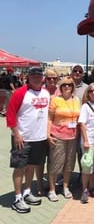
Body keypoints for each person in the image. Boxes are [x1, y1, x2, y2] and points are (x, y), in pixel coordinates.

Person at [6, 67, 50, 213]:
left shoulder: (46, 92)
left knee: (31, 166)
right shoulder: (20, 93)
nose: (36, 78)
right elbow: (10, 114)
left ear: (42, 78)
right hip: (23, 138)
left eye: (39, 76)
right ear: (28, 78)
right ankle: (17, 198)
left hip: (39, 137)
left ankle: (27, 192)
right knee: (20, 167)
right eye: (33, 76)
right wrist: (16, 134)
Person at [47, 76, 81, 202]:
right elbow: (50, 118)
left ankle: (65, 187)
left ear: (73, 87)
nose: (67, 87)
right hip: (58, 135)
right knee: (56, 163)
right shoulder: (55, 100)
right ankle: (52, 189)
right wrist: (48, 134)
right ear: (60, 87)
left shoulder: (76, 99)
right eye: (64, 85)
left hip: (72, 136)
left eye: (69, 85)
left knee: (69, 164)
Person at [78, 83, 94, 203]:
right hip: (89, 138)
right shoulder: (85, 106)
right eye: (91, 91)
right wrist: (86, 140)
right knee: (87, 165)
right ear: (88, 93)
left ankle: (92, 188)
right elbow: (82, 124)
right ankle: (84, 189)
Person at [35, 68, 60, 196]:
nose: (52, 80)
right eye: (49, 78)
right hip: (39, 130)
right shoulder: (40, 92)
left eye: (54, 78)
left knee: (53, 160)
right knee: (40, 160)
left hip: (55, 131)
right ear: (45, 79)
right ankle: (39, 184)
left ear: (58, 79)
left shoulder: (60, 92)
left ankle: (52, 185)